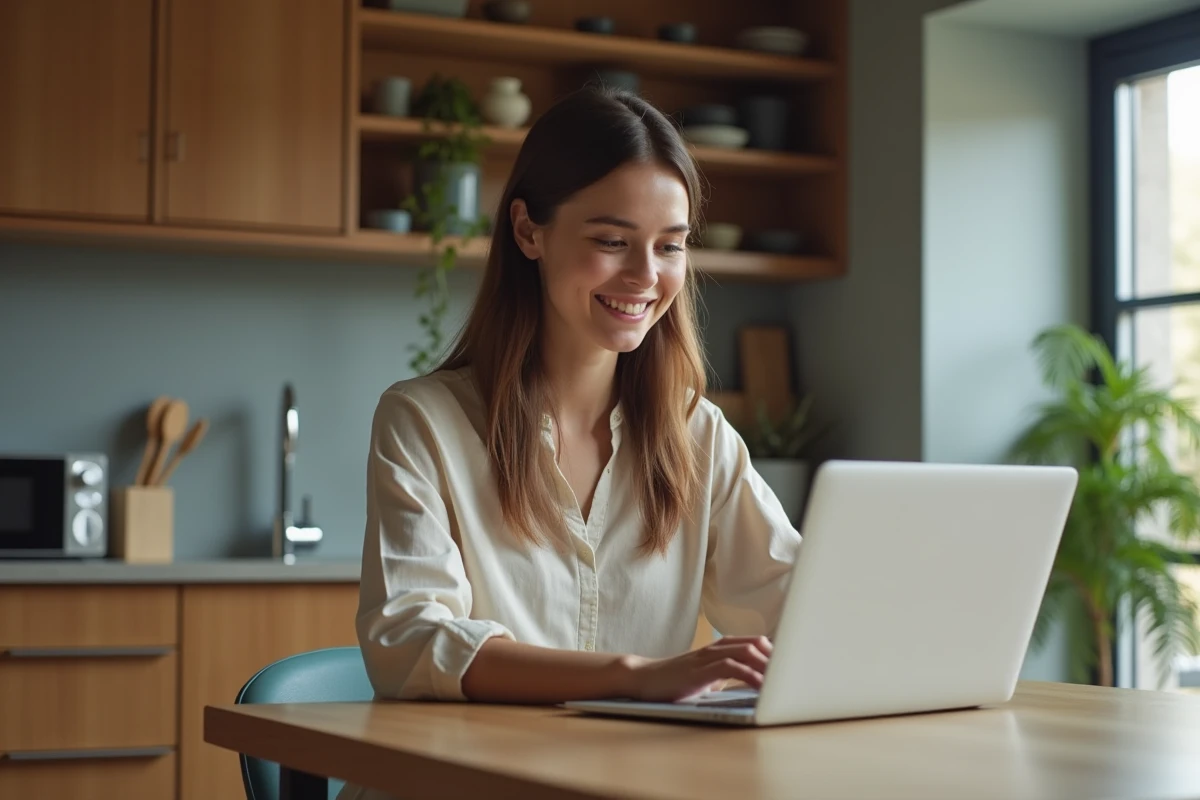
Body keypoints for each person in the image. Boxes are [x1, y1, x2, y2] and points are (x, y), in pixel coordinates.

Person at [355, 86, 802, 716]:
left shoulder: (699, 436)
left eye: (670, 245)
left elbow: (802, 606)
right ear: (527, 231)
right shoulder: (424, 423)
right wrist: (634, 676)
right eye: (613, 241)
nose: (646, 275)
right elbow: (410, 641)